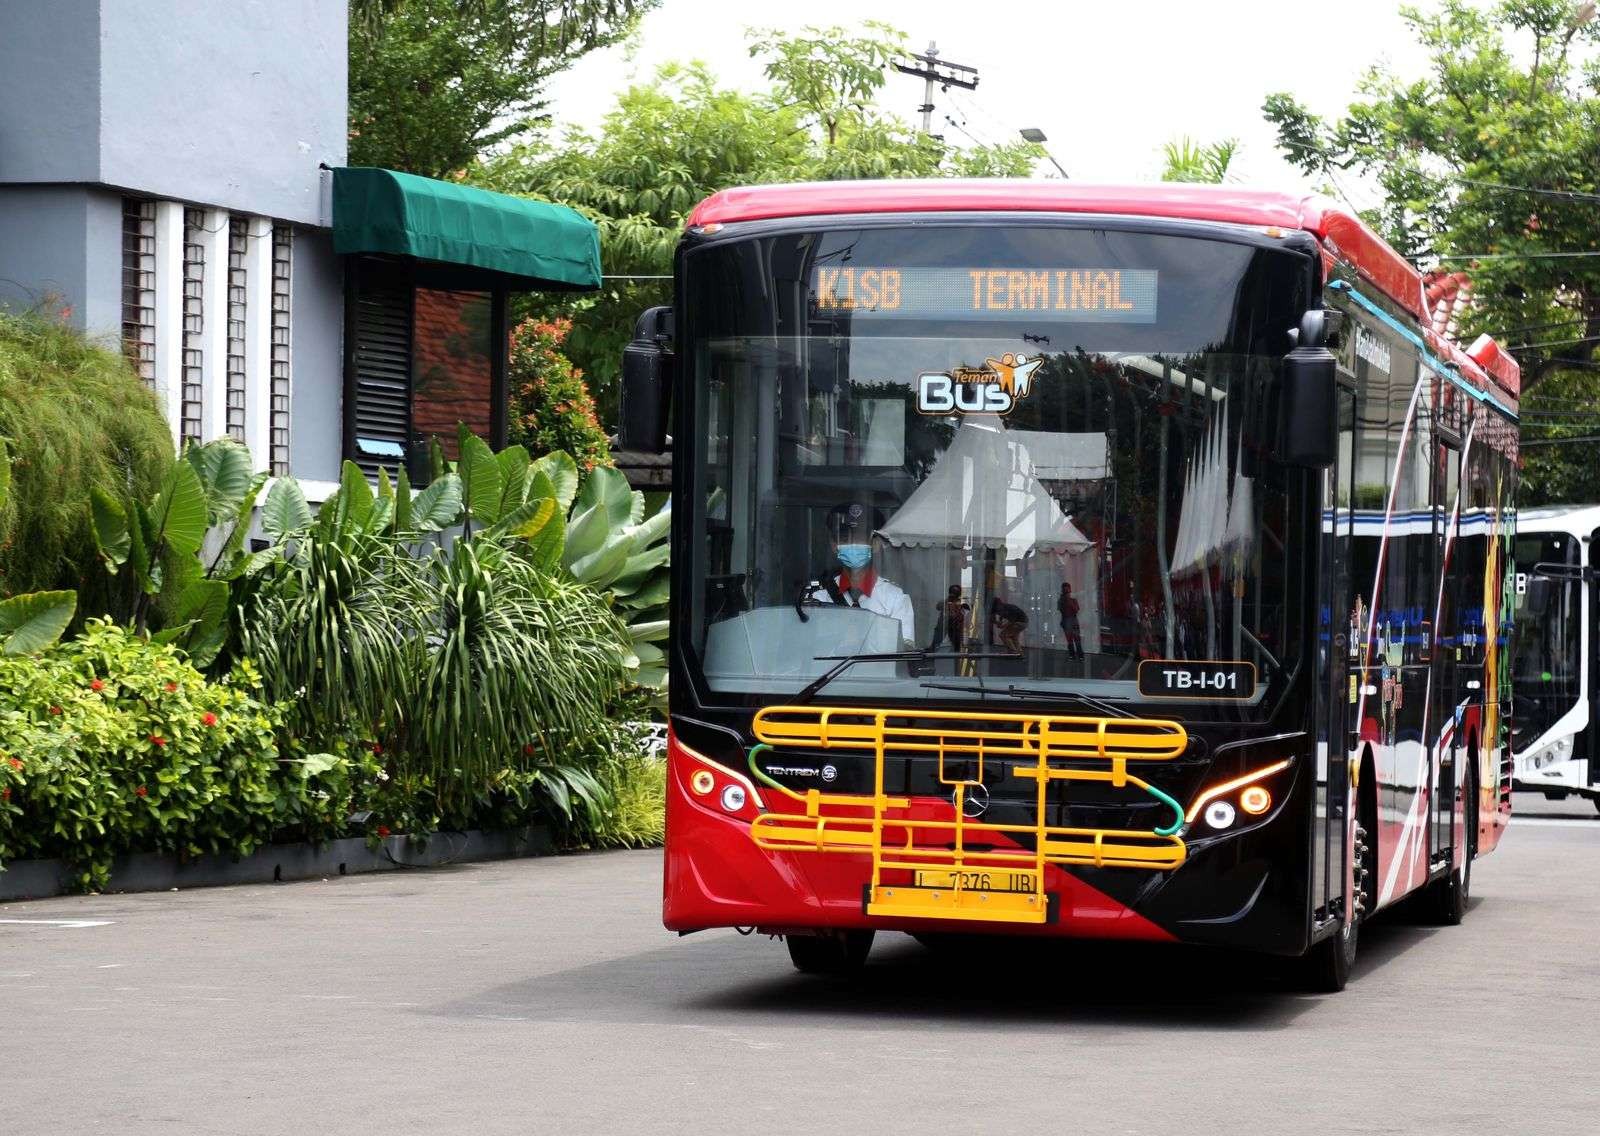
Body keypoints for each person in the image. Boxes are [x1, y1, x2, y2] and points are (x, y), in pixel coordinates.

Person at [809, 502, 915, 646]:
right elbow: (809, 651)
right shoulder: (818, 597)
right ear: (834, 545)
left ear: (876, 544)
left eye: (859, 538)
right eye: (845, 539)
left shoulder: (895, 600)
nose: (852, 544)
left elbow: (901, 660)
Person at [927, 584, 971, 653]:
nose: (954, 595)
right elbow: (938, 606)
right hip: (944, 625)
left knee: (957, 647)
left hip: (955, 627)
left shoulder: (961, 604)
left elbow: (964, 616)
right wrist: (948, 600)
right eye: (953, 592)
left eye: (956, 593)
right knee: (935, 643)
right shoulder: (946, 602)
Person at [1058, 582, 1083, 659]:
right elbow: (1062, 610)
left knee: (1076, 638)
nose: (1067, 592)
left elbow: (1076, 610)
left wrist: (1068, 601)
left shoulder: (1072, 600)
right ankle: (1075, 655)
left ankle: (1077, 655)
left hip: (1071, 619)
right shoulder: (1062, 600)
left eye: (1067, 590)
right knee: (1071, 639)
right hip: (1068, 620)